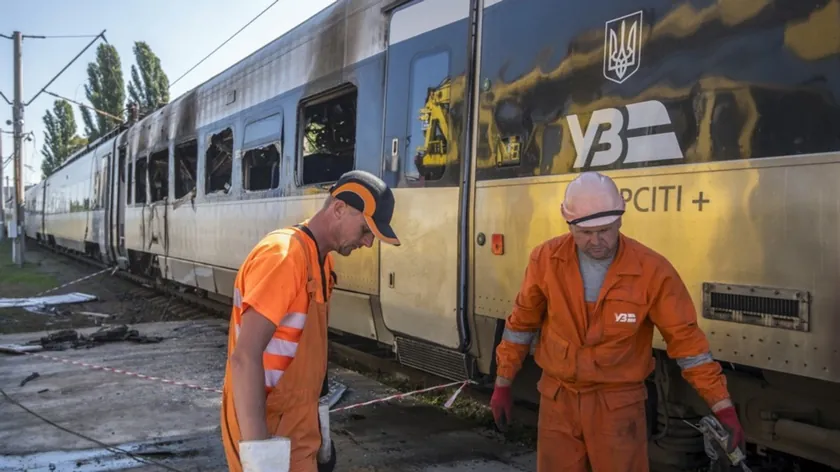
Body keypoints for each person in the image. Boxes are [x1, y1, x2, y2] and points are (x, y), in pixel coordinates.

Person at [489, 171, 745, 471]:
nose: (597, 241)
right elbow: (521, 325)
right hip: (559, 401)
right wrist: (503, 382)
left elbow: (688, 345)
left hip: (618, 407)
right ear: (568, 224)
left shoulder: (652, 270)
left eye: (606, 230)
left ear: (620, 220)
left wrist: (723, 407)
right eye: (585, 233)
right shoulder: (545, 260)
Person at [220, 170, 401, 472]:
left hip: (297, 427)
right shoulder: (284, 256)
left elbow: (311, 356)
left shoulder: (320, 259)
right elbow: (244, 357)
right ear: (339, 209)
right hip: (269, 428)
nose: (368, 243)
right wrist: (261, 458)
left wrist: (321, 432)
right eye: (366, 229)